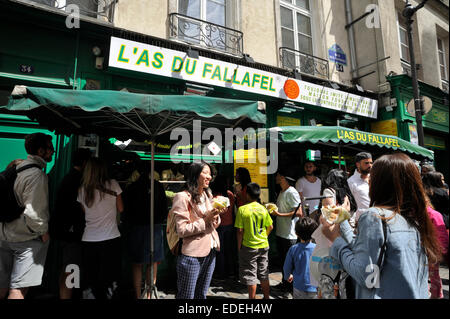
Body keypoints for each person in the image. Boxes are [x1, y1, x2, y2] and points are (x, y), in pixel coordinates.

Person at [321, 153, 442, 299]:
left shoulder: (375, 216)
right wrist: (343, 220)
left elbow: (366, 276)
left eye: (373, 175)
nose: (369, 180)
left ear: (381, 183)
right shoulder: (414, 218)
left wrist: (336, 241)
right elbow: (368, 254)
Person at [0, 133, 54, 299]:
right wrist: (43, 233)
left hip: (4, 234)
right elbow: (35, 213)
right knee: (19, 289)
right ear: (40, 150)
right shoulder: (36, 175)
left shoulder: (16, 167)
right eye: (50, 149)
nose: (53, 152)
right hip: (26, 239)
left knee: (2, 284)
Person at [171, 161, 226, 299]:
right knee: (187, 296)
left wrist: (217, 215)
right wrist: (205, 220)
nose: (209, 177)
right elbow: (182, 230)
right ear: (195, 175)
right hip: (192, 256)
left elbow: (213, 225)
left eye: (210, 174)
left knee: (201, 295)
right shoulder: (182, 197)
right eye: (205, 173)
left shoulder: (207, 195)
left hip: (211, 251)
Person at [77, 157, 124, 299]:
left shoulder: (82, 190)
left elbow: (85, 212)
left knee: (91, 280)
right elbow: (121, 209)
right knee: (110, 280)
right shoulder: (113, 184)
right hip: (111, 239)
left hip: (89, 240)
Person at [122, 163, 168, 299]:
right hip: (155, 227)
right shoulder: (158, 186)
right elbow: (164, 209)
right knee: (152, 263)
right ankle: (148, 295)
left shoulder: (131, 188)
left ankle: (137, 295)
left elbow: (126, 211)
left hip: (136, 228)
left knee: (137, 264)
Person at [50, 148, 92, 299]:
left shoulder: (70, 178)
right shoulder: (77, 180)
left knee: (69, 267)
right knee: (72, 268)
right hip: (72, 233)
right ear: (85, 162)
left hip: (65, 232)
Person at [235, 182, 273, 299]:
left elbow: (240, 231)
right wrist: (264, 236)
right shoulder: (263, 209)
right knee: (263, 273)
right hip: (263, 245)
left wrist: (239, 246)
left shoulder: (242, 210)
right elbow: (270, 227)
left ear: (247, 194)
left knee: (250, 274)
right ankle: (266, 297)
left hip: (249, 246)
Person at [272, 168, 302, 294]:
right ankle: (285, 283)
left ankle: (291, 288)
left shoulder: (292, 192)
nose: (276, 177)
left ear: (283, 177)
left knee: (290, 262)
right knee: (284, 261)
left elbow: (299, 212)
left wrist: (279, 214)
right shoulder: (281, 191)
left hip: (290, 234)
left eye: (278, 175)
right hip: (281, 232)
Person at [283, 217, 318, 299]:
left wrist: (287, 276)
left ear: (296, 233)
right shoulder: (318, 249)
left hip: (298, 286)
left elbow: (286, 267)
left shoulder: (293, 249)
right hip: (315, 287)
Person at [210, 175, 237, 281]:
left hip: (220, 225)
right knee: (229, 249)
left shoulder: (215, 196)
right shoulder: (230, 194)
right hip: (229, 225)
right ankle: (231, 272)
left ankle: (220, 273)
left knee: (220, 250)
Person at [425, 196, 448, 299]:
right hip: (432, 251)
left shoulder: (432, 215)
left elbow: (442, 234)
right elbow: (442, 235)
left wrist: (442, 250)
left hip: (430, 251)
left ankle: (436, 295)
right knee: (433, 276)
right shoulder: (435, 214)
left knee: (429, 276)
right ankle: (437, 295)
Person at [347, 152, 372, 222]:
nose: (370, 165)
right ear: (358, 164)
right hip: (361, 221)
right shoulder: (351, 182)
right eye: (366, 163)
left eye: (371, 163)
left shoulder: (375, 178)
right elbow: (349, 205)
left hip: (377, 218)